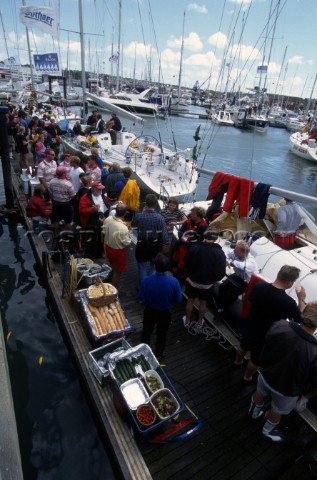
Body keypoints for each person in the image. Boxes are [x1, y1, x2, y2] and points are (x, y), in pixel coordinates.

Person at [248, 302, 317, 442]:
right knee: (277, 411)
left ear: (303, 313)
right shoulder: (315, 351)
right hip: (287, 389)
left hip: (266, 375)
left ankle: (253, 413)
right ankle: (266, 431)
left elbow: (268, 342)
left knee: (259, 393)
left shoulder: (280, 325)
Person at [234, 265, 306, 382]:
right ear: (289, 282)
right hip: (266, 335)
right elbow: (299, 319)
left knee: (243, 345)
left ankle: (237, 362)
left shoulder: (259, 286)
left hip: (250, 325)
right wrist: (301, 299)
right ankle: (247, 377)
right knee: (256, 359)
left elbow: (250, 299)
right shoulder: (288, 302)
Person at [138, 253, 182, 361]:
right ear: (167, 268)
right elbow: (179, 300)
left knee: (146, 331)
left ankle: (143, 351)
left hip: (150, 311)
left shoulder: (146, 281)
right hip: (165, 313)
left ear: (155, 266)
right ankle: (159, 353)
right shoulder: (174, 282)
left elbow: (140, 298)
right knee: (162, 334)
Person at [182, 229, 226, 329]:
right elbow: (221, 273)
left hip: (192, 280)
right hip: (207, 284)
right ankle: (200, 321)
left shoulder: (195, 247)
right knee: (203, 302)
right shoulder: (219, 252)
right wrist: (212, 280)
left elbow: (185, 262)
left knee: (190, 300)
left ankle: (187, 320)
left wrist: (189, 273)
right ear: (215, 240)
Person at [132, 193, 169, 286]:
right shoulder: (160, 218)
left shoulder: (138, 216)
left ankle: (143, 289)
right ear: (155, 204)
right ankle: (152, 286)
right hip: (155, 247)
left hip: (142, 246)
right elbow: (164, 237)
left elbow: (133, 229)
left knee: (142, 268)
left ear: (145, 203)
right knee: (154, 268)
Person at [215, 240, 259, 309]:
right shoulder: (235, 252)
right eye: (235, 249)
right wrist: (226, 260)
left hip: (246, 282)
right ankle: (220, 306)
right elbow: (226, 254)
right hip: (237, 276)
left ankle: (225, 308)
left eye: (236, 251)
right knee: (222, 286)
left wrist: (230, 262)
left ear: (243, 253)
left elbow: (240, 265)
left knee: (231, 294)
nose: (234, 251)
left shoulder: (250, 262)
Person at [102, 202, 131, 288]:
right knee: (117, 272)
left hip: (107, 247)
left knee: (111, 265)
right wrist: (128, 230)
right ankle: (114, 291)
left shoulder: (108, 219)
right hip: (117, 252)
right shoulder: (123, 228)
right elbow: (127, 243)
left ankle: (108, 283)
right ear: (126, 213)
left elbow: (104, 231)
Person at [79, 181, 108, 257]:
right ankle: (92, 254)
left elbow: (107, 205)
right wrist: (92, 209)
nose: (101, 191)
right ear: (93, 189)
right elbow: (81, 211)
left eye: (101, 189)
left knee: (103, 238)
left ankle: (101, 251)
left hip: (103, 220)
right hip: (91, 222)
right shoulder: (85, 198)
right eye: (98, 189)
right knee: (93, 239)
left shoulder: (103, 196)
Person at [48, 166, 75, 240]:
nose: (67, 173)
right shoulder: (68, 184)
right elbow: (73, 195)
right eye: (66, 172)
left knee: (56, 219)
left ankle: (56, 234)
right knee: (68, 221)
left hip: (56, 203)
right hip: (66, 204)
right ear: (63, 174)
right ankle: (67, 235)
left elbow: (50, 193)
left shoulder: (52, 181)